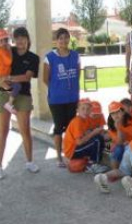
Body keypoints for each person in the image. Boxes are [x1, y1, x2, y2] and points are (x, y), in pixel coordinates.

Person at [0, 27, 40, 179]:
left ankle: (30, 162)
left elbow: (27, 77)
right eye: (16, 38)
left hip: (23, 96)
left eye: (22, 37)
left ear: (27, 39)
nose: (19, 41)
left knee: (25, 130)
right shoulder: (7, 50)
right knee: (2, 131)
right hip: (3, 94)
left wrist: (9, 78)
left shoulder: (33, 57)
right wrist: (0, 79)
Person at [43, 28, 80, 167]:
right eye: (60, 38)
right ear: (56, 40)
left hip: (72, 98)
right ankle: (59, 157)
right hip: (56, 99)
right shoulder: (49, 57)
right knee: (59, 127)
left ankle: (69, 154)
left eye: (66, 37)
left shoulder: (75, 55)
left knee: (71, 127)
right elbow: (45, 79)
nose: (63, 40)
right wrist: (57, 89)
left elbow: (77, 75)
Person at [63, 99, 107, 174]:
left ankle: (91, 161)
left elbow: (87, 133)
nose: (85, 111)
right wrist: (93, 133)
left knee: (99, 138)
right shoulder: (78, 121)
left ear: (90, 110)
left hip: (75, 148)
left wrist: (94, 133)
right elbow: (79, 142)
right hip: (72, 151)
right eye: (83, 109)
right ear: (77, 110)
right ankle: (93, 165)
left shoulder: (84, 119)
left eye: (88, 109)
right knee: (97, 139)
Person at [0, 29, 21, 114]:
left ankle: (6, 104)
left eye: (4, 40)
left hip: (0, 75)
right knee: (15, 87)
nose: (2, 42)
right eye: (0, 40)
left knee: (13, 88)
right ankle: (8, 104)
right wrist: (9, 50)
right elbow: (9, 61)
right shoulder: (0, 50)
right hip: (1, 75)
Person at [106, 101, 132, 170]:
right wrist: (119, 129)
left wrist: (130, 143)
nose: (116, 115)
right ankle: (115, 171)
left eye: (118, 112)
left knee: (129, 148)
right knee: (118, 148)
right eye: (113, 113)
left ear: (123, 112)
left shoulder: (131, 121)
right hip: (118, 146)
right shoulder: (111, 126)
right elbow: (119, 142)